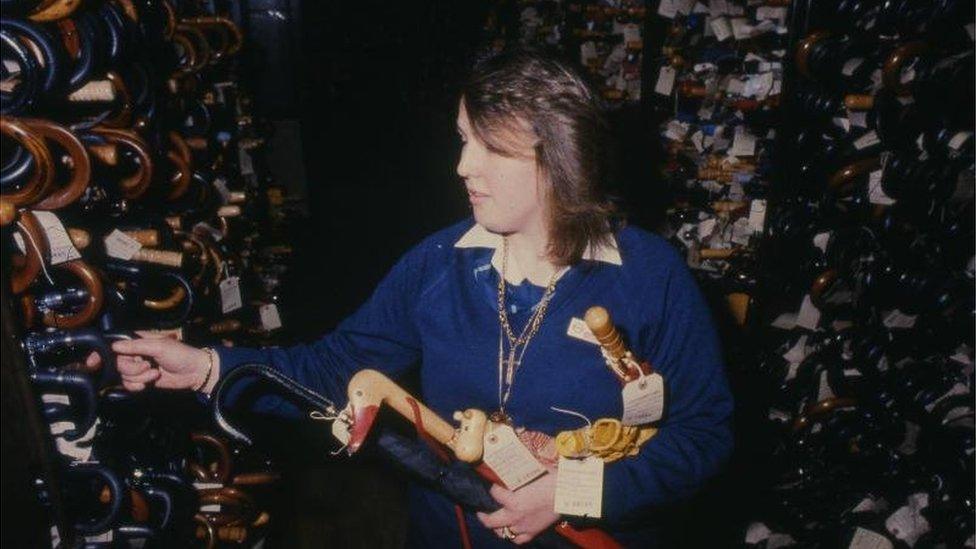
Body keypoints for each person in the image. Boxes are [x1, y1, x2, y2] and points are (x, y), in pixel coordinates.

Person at [106, 48, 733, 547]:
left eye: (490, 147)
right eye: (464, 139)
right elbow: (337, 369)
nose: (463, 166)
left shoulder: (651, 276)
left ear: (560, 157)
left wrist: (576, 491)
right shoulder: (440, 262)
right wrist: (210, 367)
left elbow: (702, 435)